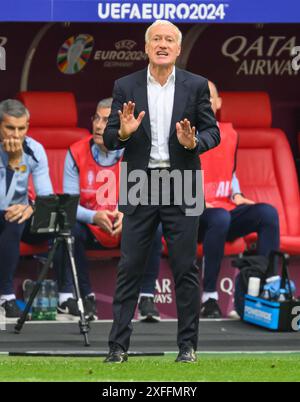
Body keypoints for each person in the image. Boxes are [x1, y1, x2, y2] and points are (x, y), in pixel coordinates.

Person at [103, 20, 220, 363]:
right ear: (146, 47)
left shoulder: (196, 85)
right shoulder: (125, 85)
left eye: (170, 39)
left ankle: (187, 347)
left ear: (179, 49)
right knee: (130, 267)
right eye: (157, 39)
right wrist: (123, 133)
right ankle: (117, 348)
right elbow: (110, 140)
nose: (163, 44)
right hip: (141, 183)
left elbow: (214, 133)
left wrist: (194, 142)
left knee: (185, 269)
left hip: (182, 182)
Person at [55, 98, 163, 321]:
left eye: (106, 120)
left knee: (154, 224)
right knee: (69, 227)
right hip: (90, 224)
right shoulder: (75, 152)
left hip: (124, 225)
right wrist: (94, 216)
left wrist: (128, 212)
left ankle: (146, 298)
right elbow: (69, 204)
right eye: (96, 118)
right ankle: (86, 298)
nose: (98, 125)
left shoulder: (136, 151)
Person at [198, 81, 280, 318]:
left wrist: (237, 195)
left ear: (218, 103)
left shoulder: (230, 134)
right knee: (220, 217)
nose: (205, 102)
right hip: (192, 214)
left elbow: (229, 171)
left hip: (222, 211)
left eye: (209, 97)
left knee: (267, 213)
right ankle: (210, 297)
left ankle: (266, 287)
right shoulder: (184, 133)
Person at [0, 99, 53, 317]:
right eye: (10, 128)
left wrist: (32, 208)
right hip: (5, 212)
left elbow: (47, 197)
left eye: (22, 128)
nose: (16, 135)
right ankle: (6, 296)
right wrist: (13, 163)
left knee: (63, 226)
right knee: (11, 217)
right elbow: (3, 201)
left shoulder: (34, 149)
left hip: (20, 212)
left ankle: (68, 296)